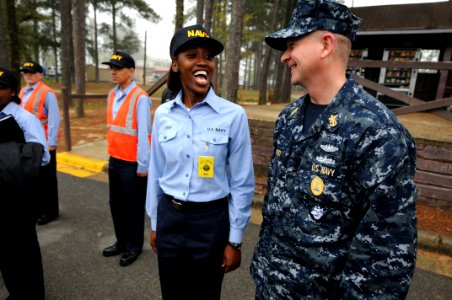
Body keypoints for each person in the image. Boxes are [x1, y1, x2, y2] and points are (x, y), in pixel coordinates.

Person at [250, 1, 418, 299]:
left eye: (292, 44)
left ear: (326, 43)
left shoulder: (378, 133)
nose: (284, 57)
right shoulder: (288, 119)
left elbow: (384, 263)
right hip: (270, 289)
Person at [146, 24, 255, 300]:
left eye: (208, 56)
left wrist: (235, 239)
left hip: (210, 223)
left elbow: (242, 182)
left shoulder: (233, 116)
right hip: (170, 218)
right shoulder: (163, 115)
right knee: (172, 293)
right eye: (192, 55)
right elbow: (157, 171)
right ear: (175, 64)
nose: (203, 62)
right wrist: (156, 223)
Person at [0, 67, 50, 300]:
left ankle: (32, 294)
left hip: (19, 198)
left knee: (24, 250)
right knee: (5, 252)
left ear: (12, 91)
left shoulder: (24, 118)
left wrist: (8, 153)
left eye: (0, 88)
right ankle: (15, 291)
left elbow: (43, 156)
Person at [101, 51, 152, 267]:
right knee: (117, 204)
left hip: (132, 164)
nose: (113, 71)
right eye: (111, 67)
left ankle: (134, 246)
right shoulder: (112, 94)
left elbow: (144, 134)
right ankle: (121, 241)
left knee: (133, 207)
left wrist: (143, 163)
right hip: (115, 159)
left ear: (131, 71)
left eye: (118, 68)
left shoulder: (141, 98)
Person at [19, 60, 61, 225]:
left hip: (43, 142)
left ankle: (51, 211)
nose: (28, 75)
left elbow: (54, 119)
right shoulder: (22, 91)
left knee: (47, 179)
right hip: (27, 142)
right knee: (33, 177)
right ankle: (38, 209)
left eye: (32, 72)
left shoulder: (47, 92)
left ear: (40, 74)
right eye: (26, 72)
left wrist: (52, 143)